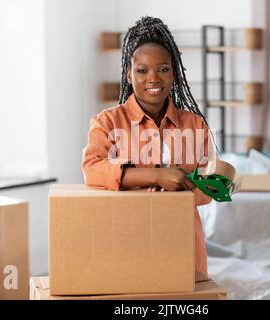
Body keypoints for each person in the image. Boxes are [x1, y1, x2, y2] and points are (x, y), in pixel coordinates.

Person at [82, 16, 215, 279]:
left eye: (163, 69)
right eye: (142, 70)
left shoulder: (195, 124)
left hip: (182, 242)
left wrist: (174, 191)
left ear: (174, 72)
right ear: (129, 74)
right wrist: (155, 176)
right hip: (126, 240)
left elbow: (209, 187)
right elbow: (93, 170)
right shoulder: (107, 122)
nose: (153, 78)